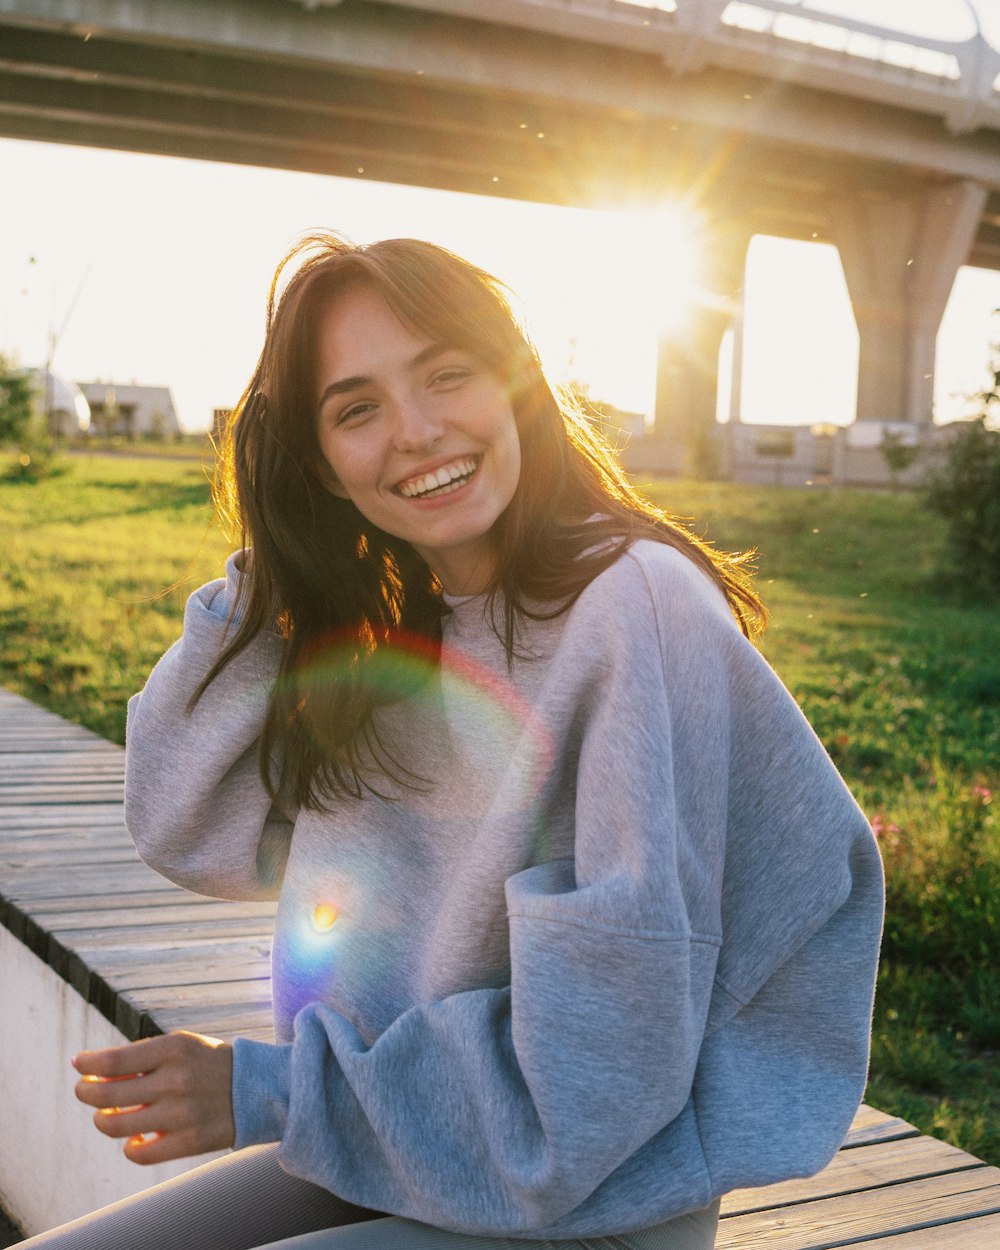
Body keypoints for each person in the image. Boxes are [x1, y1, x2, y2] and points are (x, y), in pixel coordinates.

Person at [25, 234, 883, 1250]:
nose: (417, 431)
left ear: (518, 383)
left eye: (446, 374)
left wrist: (269, 1089)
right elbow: (185, 825)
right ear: (322, 464)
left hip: (590, 1201)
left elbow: (586, 1096)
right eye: (356, 409)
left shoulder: (631, 609)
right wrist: (284, 563)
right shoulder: (401, 624)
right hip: (406, 1150)